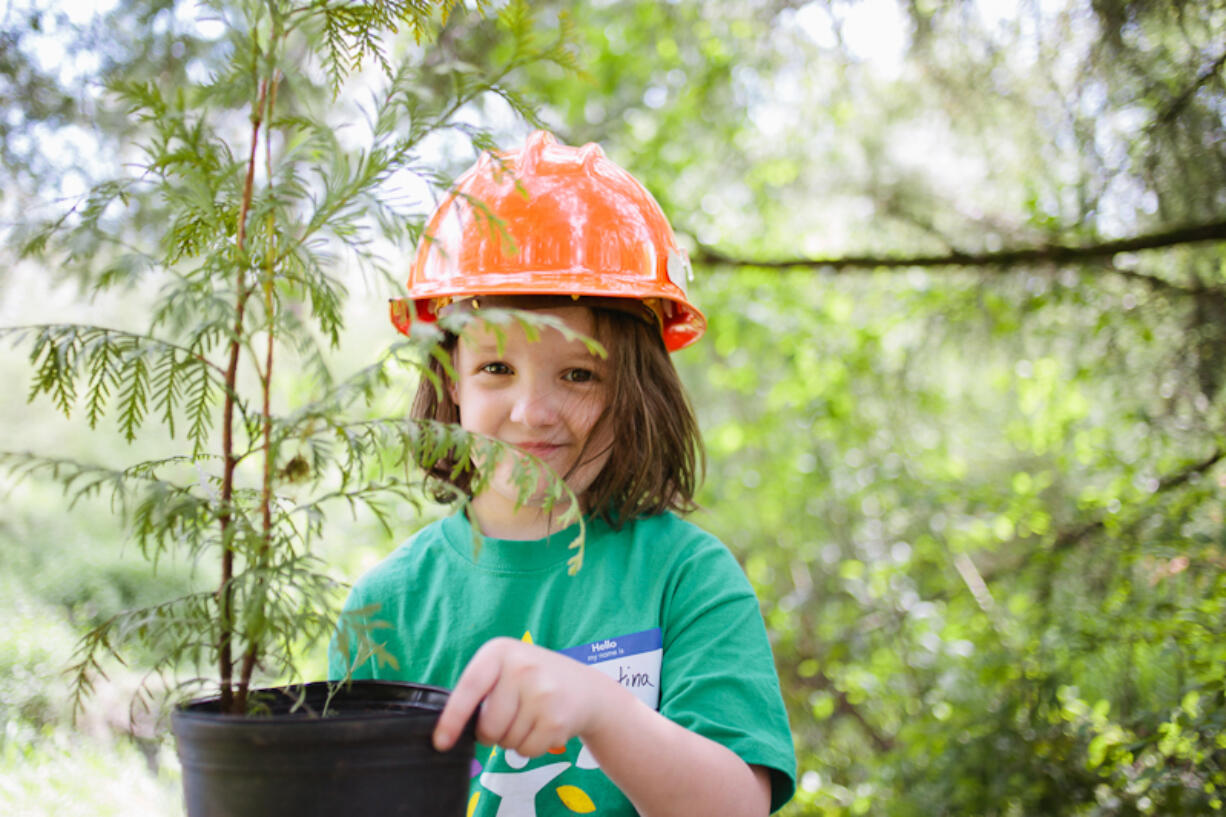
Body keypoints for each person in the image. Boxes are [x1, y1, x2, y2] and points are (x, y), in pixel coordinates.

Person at [329, 130, 795, 817]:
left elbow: (736, 807)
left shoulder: (687, 578)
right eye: (496, 368)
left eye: (578, 373)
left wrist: (602, 709)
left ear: (634, 391)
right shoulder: (388, 606)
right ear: (450, 380)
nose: (531, 410)